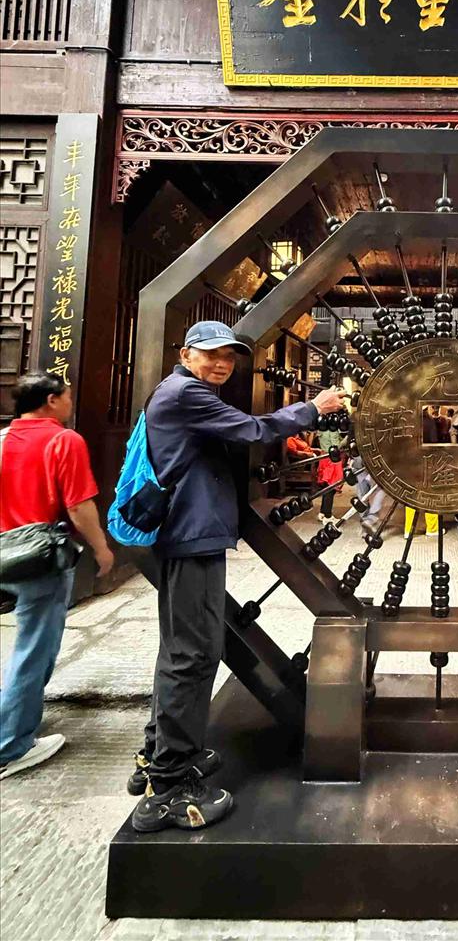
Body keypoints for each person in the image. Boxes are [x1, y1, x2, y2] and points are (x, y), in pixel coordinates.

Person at [129, 321, 344, 832]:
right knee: (194, 654)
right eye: (211, 354)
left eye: (229, 356)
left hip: (189, 533)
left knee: (181, 648)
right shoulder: (185, 394)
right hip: (188, 536)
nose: (222, 363)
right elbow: (254, 430)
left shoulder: (186, 393)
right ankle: (169, 785)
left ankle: (158, 752)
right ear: (186, 354)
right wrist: (313, 408)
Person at [0, 372, 114, 780]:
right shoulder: (63, 440)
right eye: (66, 396)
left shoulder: (2, 440)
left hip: (3, 552)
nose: (69, 402)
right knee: (34, 650)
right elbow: (79, 506)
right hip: (39, 558)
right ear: (50, 400)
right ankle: (11, 746)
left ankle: (15, 719)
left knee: (26, 645)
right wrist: (101, 548)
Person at [314, 419, 345, 523]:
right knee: (331, 488)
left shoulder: (321, 428)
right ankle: (328, 515)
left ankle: (322, 513)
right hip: (332, 460)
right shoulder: (333, 429)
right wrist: (345, 440)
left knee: (326, 488)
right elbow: (336, 446)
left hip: (324, 458)